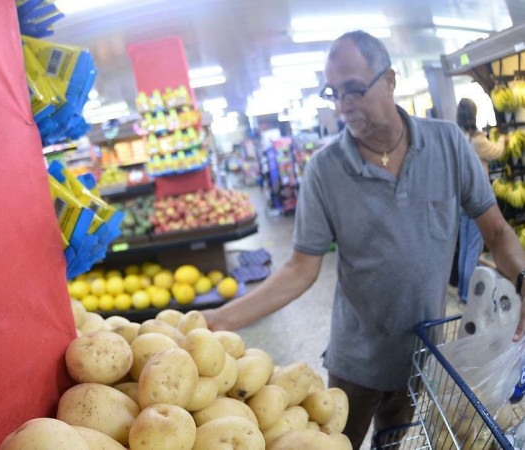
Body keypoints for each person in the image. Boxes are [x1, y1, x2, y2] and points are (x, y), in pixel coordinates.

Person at [203, 30, 525, 449]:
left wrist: (521, 280)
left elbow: (498, 232)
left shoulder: (448, 144)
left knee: (392, 440)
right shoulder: (325, 170)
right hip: (356, 362)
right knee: (339, 442)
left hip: (420, 353)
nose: (343, 106)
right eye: (333, 93)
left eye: (354, 90)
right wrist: (224, 318)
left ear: (389, 80)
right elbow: (301, 268)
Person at [456, 98, 505, 304]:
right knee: (474, 249)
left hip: (462, 200)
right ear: (473, 115)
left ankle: (461, 290)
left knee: (466, 246)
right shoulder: (477, 140)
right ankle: (468, 294)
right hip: (477, 199)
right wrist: (503, 140)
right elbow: (496, 152)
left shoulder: (459, 136)